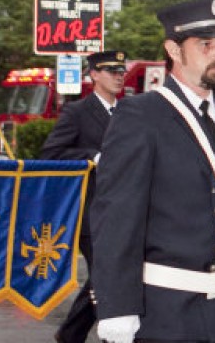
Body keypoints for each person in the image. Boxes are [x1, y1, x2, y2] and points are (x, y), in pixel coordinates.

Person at [90, 0, 215, 343]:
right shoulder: (140, 115)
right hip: (161, 311)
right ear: (173, 50)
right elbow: (116, 215)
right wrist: (116, 304)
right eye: (205, 44)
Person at [40, 50, 126, 343]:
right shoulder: (77, 112)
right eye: (111, 70)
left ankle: (71, 333)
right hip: (92, 212)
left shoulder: (129, 111)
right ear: (94, 75)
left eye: (121, 71)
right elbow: (51, 154)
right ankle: (109, 334)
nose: (118, 76)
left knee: (107, 275)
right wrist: (93, 157)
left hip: (127, 210)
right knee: (106, 274)